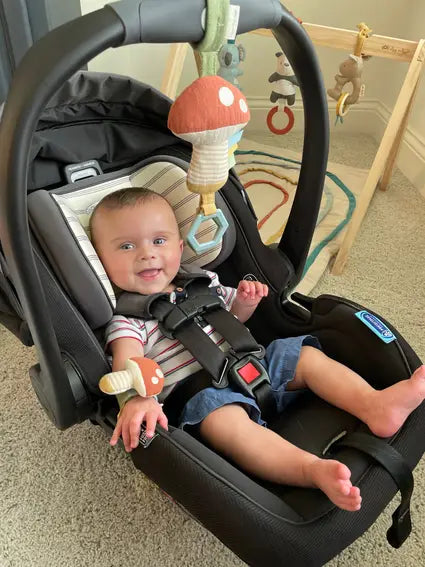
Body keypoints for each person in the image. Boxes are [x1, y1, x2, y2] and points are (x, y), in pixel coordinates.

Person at [90, 186, 425, 512]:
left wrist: (245, 302)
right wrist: (138, 400)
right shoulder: (128, 320)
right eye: (127, 246)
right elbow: (128, 364)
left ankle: (374, 405)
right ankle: (310, 470)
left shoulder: (203, 282)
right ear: (102, 263)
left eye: (159, 241)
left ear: (180, 247)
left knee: (305, 357)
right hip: (204, 398)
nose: (147, 253)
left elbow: (232, 317)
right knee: (228, 427)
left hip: (255, 363)